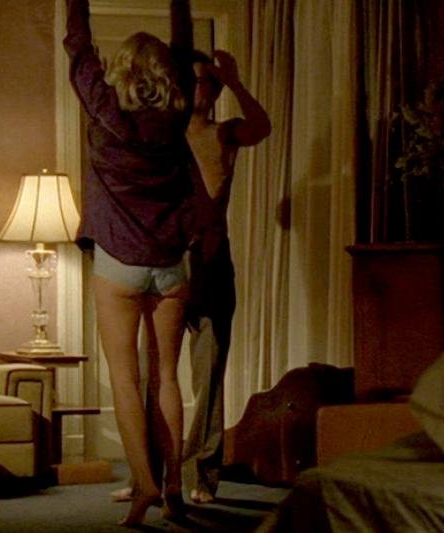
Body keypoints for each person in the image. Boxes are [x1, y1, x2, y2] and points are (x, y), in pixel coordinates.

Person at [63, 0, 195, 526]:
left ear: (120, 72)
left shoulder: (105, 111)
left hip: (119, 262)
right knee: (167, 378)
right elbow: (183, 48)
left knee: (124, 378)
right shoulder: (177, 114)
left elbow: (79, 47)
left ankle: (144, 486)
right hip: (171, 265)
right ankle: (175, 487)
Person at [182, 49, 270, 504]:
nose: (204, 90)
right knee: (149, 375)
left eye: (209, 82)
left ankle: (203, 474)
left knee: (210, 375)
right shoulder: (164, 135)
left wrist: (234, 81)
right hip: (167, 264)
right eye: (197, 81)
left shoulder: (224, 132)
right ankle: (149, 475)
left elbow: (262, 127)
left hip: (213, 262)